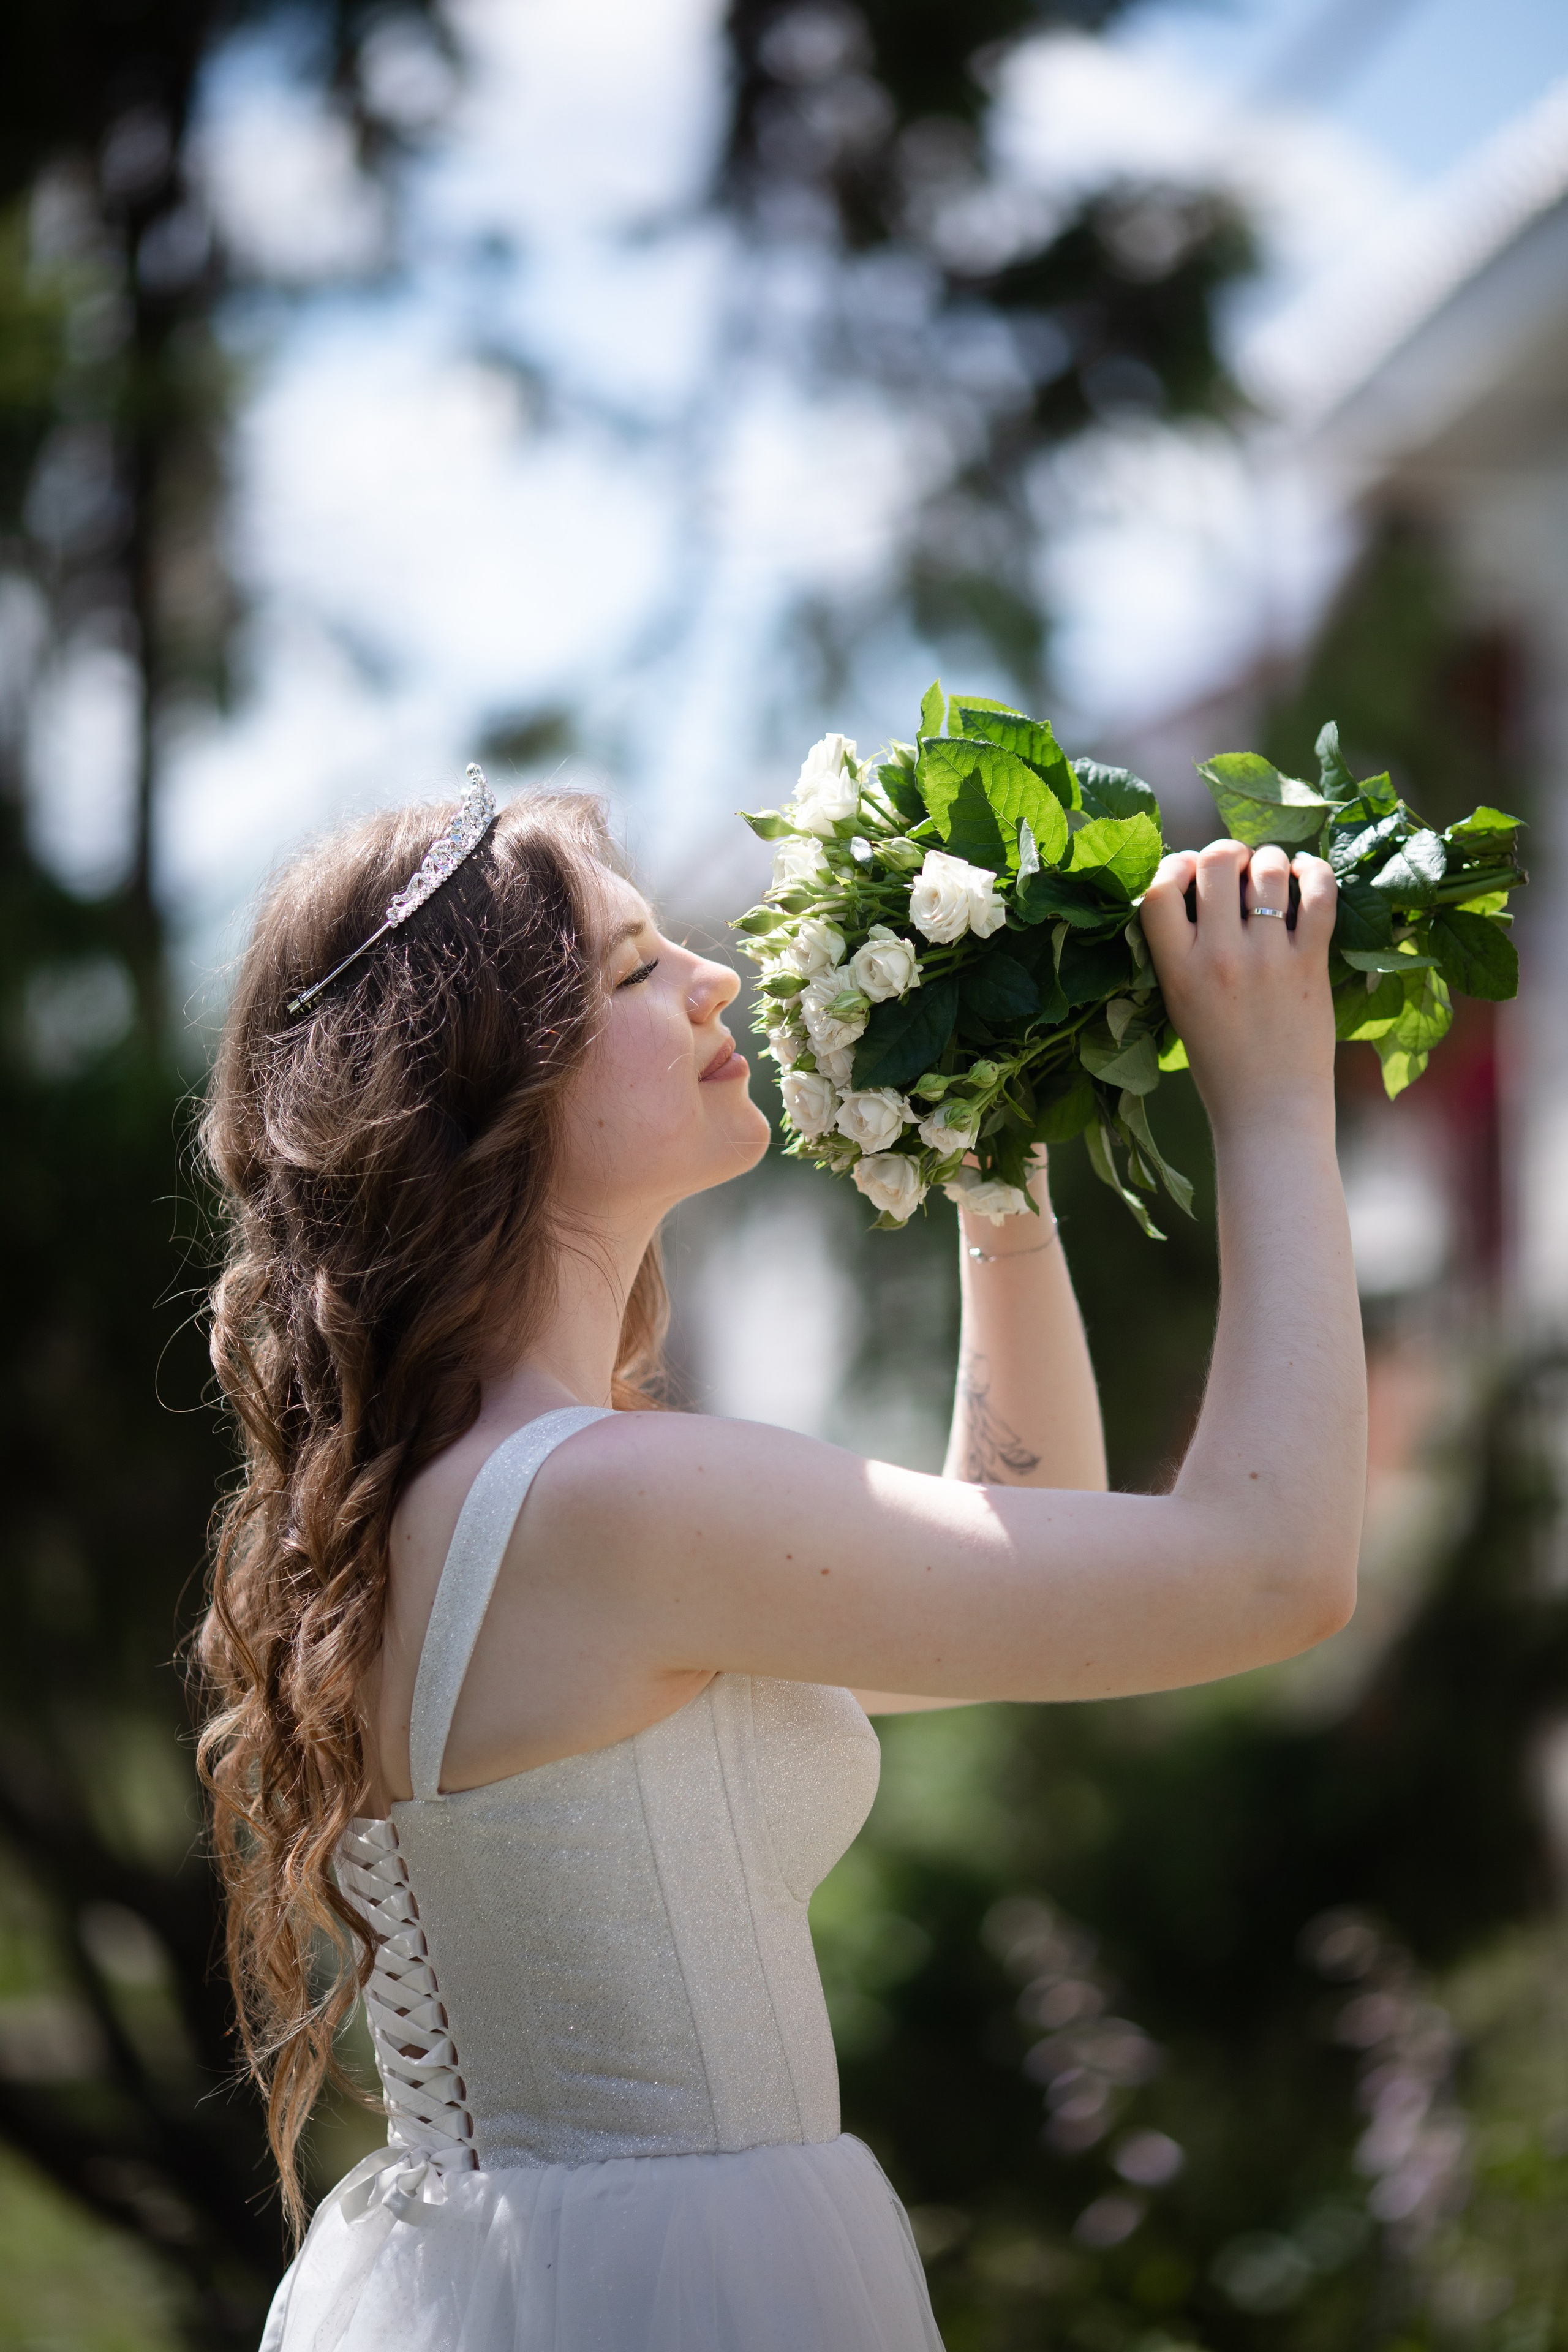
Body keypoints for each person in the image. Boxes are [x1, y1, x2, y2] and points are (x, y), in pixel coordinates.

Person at [197, 772, 1364, 2352]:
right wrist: (1280, 1101)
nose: (715, 976)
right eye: (630, 970)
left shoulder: (468, 1504)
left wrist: (998, 1188)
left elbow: (1024, 1543)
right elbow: (1270, 1570)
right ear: (483, 1102)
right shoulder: (617, 1506)